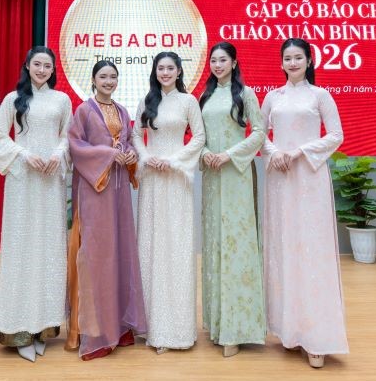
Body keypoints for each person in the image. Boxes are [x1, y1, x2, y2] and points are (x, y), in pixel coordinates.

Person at [261, 38, 348, 368]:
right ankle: (290, 330)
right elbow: (259, 135)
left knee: (313, 251)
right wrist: (275, 153)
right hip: (280, 178)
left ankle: (317, 338)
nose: (293, 62)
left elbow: (336, 135)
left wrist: (299, 152)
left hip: (309, 177)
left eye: (299, 57)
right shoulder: (273, 97)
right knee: (285, 248)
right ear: (281, 63)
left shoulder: (320, 95)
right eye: (288, 58)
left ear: (310, 61)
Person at [0, 46, 71, 362]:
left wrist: (57, 154)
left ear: (53, 70)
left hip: (50, 181)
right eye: (37, 64)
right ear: (27, 66)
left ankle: (42, 328)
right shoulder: (13, 99)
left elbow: (67, 136)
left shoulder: (61, 100)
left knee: (48, 249)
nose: (42, 70)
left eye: (47, 66)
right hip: (23, 181)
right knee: (22, 249)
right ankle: (20, 329)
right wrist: (24, 155)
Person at [65, 60, 148, 360]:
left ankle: (120, 324)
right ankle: (96, 331)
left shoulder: (123, 111)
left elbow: (128, 144)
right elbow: (76, 146)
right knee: (96, 254)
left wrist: (130, 155)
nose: (109, 81)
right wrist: (108, 154)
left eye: (113, 76)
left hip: (119, 191)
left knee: (120, 252)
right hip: (94, 190)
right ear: (93, 80)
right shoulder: (84, 111)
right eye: (103, 76)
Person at [132, 51, 206, 354]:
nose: (165, 73)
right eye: (160, 68)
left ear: (179, 71)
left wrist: (174, 160)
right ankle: (152, 327)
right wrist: (147, 157)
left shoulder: (188, 102)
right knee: (151, 247)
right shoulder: (146, 101)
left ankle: (177, 329)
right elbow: (135, 135)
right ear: (155, 71)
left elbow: (199, 137)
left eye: (170, 68)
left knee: (176, 248)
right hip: (152, 179)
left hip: (176, 179)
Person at [198, 42, 267, 357]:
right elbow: (198, 136)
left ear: (234, 62)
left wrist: (229, 154)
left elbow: (259, 132)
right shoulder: (205, 96)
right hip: (212, 177)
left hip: (236, 174)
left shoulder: (246, 94)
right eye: (213, 60)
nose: (217, 65)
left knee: (238, 245)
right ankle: (218, 325)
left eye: (223, 60)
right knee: (215, 243)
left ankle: (239, 329)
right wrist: (205, 153)